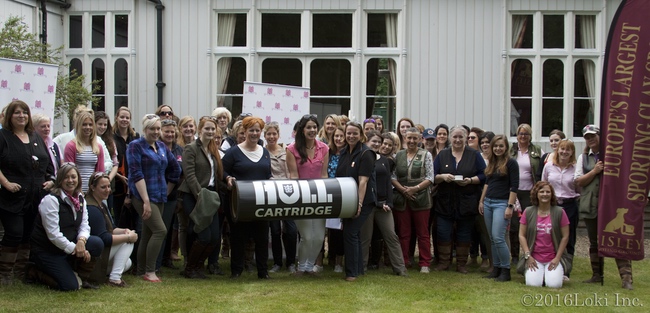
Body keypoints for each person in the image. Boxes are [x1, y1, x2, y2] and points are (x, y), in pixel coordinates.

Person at [0, 100, 55, 285]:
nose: (21, 115)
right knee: (14, 232)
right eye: (17, 113)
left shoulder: (35, 136)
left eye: (24, 112)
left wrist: (50, 180)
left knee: (28, 234)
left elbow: (47, 163)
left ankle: (20, 272)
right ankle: (5, 273)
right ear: (10, 116)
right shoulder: (3, 137)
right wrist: (6, 183)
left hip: (35, 196)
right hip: (11, 197)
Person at [28, 163, 103, 290]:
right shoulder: (50, 200)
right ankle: (34, 271)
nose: (70, 181)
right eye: (66, 177)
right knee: (70, 286)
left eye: (73, 177)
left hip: (68, 245)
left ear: (78, 179)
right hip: (47, 250)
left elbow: (85, 225)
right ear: (59, 180)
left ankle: (81, 277)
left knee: (96, 243)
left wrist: (81, 240)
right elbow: (53, 235)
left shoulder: (80, 199)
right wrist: (77, 249)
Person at [575, 125, 632, 290]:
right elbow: (578, 182)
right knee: (594, 242)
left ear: (600, 136)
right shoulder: (583, 158)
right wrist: (595, 171)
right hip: (591, 203)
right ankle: (597, 275)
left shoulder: (614, 156)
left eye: (593, 136)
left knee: (618, 239)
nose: (590, 139)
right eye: (587, 137)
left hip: (613, 205)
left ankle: (626, 279)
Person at [126, 114, 181, 283]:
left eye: (158, 128)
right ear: (144, 129)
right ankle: (150, 271)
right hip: (142, 196)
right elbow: (136, 174)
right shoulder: (136, 146)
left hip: (159, 195)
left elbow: (176, 170)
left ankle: (141, 270)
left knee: (149, 234)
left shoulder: (162, 147)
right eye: (152, 129)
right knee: (160, 230)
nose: (156, 132)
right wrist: (146, 201)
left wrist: (167, 189)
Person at [222, 116, 272, 279]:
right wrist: (228, 178)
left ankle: (262, 272)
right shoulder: (233, 152)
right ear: (244, 131)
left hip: (262, 203)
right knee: (238, 237)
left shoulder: (264, 152)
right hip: (240, 203)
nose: (254, 133)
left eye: (258, 130)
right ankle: (236, 271)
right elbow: (222, 172)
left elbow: (268, 174)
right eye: (251, 130)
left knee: (262, 238)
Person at [433, 125, 486, 273]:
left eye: (460, 137)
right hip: (445, 202)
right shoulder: (442, 155)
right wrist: (443, 177)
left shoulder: (474, 155)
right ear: (450, 138)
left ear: (465, 138)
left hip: (467, 201)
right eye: (454, 137)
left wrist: (470, 180)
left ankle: (461, 264)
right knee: (443, 232)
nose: (457, 140)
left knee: (464, 233)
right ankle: (444, 262)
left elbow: (484, 175)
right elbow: (432, 176)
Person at [178, 116, 224, 279]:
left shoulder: (212, 149)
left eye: (213, 129)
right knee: (203, 235)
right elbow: (189, 176)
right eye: (207, 128)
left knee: (214, 238)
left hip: (211, 195)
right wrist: (200, 196)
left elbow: (217, 175)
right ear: (200, 130)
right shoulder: (191, 148)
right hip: (194, 195)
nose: (210, 131)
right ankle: (190, 268)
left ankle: (198, 267)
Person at [286, 114, 329, 275]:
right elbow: (293, 176)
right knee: (306, 236)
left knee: (318, 237)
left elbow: (324, 175)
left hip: (320, 196)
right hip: (301, 196)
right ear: (302, 130)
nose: (312, 130)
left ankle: (310, 266)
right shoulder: (291, 149)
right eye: (308, 127)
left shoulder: (324, 148)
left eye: (314, 127)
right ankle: (302, 266)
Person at [360, 130, 407, 276]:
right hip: (368, 205)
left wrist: (388, 202)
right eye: (373, 141)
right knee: (365, 238)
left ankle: (400, 268)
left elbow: (387, 182)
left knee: (391, 236)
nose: (376, 144)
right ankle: (361, 268)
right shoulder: (363, 158)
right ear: (367, 142)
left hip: (384, 206)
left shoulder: (384, 161)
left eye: (378, 142)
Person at [335, 121, 376, 281]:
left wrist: (358, 204)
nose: (351, 136)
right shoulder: (344, 152)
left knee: (350, 232)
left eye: (354, 133)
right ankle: (358, 270)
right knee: (353, 234)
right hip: (346, 200)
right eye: (348, 133)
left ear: (361, 135)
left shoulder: (366, 153)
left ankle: (351, 273)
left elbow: (363, 181)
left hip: (363, 201)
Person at [391, 127, 434, 273]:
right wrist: (403, 190)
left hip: (421, 198)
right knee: (403, 233)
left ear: (420, 139)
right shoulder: (398, 155)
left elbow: (430, 177)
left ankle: (424, 263)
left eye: (415, 138)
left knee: (423, 233)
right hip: (402, 198)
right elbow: (393, 176)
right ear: (404, 138)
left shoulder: (426, 155)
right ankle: (403, 261)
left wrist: (414, 189)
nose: (412, 141)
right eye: (409, 138)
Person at [479, 135, 519, 282]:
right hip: (488, 202)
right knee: (492, 238)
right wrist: (482, 201)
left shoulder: (512, 163)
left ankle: (505, 269)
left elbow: (514, 186)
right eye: (495, 146)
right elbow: (487, 184)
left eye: (501, 146)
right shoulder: (492, 163)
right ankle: (496, 268)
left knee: (498, 237)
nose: (498, 148)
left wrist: (510, 206)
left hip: (502, 203)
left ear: (506, 147)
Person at [86, 172, 137, 287]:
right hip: (93, 253)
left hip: (102, 250)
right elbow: (105, 238)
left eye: (109, 186)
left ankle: (104, 274)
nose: (107, 190)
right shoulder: (92, 208)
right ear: (92, 188)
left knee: (127, 263)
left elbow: (111, 229)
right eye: (103, 187)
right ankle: (114, 279)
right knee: (128, 242)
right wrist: (128, 237)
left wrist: (125, 231)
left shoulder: (101, 204)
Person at [518, 181, 569, 288]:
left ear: (552, 194)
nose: (545, 194)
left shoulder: (560, 212)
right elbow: (521, 235)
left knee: (554, 285)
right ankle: (538, 274)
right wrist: (528, 256)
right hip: (534, 257)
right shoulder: (528, 211)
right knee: (533, 284)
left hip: (553, 257)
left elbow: (565, 236)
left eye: (548, 192)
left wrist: (557, 258)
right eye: (541, 192)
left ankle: (554, 274)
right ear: (536, 194)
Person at [541, 139, 578, 279]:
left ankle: (566, 270)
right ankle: (549, 267)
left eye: (568, 149)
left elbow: (579, 187)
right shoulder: (549, 166)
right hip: (553, 206)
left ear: (572, 152)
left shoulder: (575, 168)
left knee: (568, 238)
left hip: (569, 205)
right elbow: (544, 185)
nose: (564, 152)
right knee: (550, 236)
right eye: (562, 149)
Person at [265, 122, 297, 273]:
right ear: (264, 136)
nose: (271, 137)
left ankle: (291, 262)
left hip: (287, 193)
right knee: (275, 230)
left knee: (290, 230)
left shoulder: (286, 151)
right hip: (271, 194)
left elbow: (291, 171)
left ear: (278, 135)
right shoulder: (262, 152)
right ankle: (277, 262)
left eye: (274, 134)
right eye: (268, 134)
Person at [509, 123, 543, 263]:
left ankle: (530, 253)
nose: (523, 136)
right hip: (514, 192)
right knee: (514, 224)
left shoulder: (536, 150)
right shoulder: (511, 150)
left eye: (526, 134)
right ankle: (515, 256)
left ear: (530, 136)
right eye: (520, 134)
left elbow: (539, 170)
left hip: (529, 192)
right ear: (517, 136)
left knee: (529, 224)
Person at [157, 119, 183, 271]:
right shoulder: (156, 148)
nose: (169, 134)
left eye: (172, 132)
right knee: (159, 230)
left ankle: (167, 259)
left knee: (168, 229)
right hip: (157, 194)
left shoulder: (180, 150)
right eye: (166, 131)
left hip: (173, 196)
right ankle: (157, 262)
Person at [64, 111, 106, 193]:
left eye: (90, 125)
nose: (88, 127)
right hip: (76, 190)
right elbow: (69, 172)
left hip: (94, 191)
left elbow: (100, 172)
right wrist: (78, 190)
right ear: (79, 126)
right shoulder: (71, 146)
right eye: (84, 124)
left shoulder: (98, 147)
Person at [112, 106, 140, 227]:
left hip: (134, 182)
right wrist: (118, 176)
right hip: (117, 183)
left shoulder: (135, 136)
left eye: (127, 117)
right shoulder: (110, 137)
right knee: (120, 218)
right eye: (122, 117)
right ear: (116, 118)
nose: (124, 120)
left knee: (134, 220)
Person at [326, 126, 346, 272]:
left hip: (344, 194)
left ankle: (339, 262)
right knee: (327, 229)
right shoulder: (328, 152)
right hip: (328, 193)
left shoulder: (349, 153)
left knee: (340, 230)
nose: (338, 139)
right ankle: (326, 260)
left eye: (341, 136)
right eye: (336, 136)